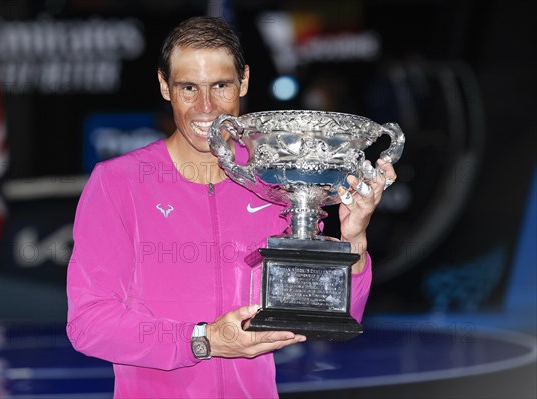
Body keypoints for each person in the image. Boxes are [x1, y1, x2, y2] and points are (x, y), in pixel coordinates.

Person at [66, 16, 397, 398]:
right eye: (188, 87)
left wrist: (353, 237)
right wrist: (203, 340)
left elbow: (336, 315)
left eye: (220, 86)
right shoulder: (118, 183)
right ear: (164, 86)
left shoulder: (275, 182)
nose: (205, 107)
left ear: (244, 82)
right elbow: (88, 324)